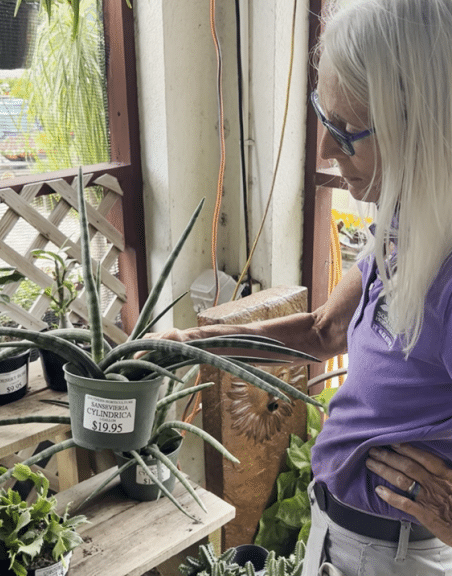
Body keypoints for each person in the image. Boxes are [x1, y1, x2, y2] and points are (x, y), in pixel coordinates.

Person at [146, 0, 452, 573]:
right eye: (322, 117)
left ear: (425, 127)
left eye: (345, 132)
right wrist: (200, 346)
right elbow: (324, 328)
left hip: (396, 554)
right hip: (338, 530)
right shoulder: (407, 223)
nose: (325, 152)